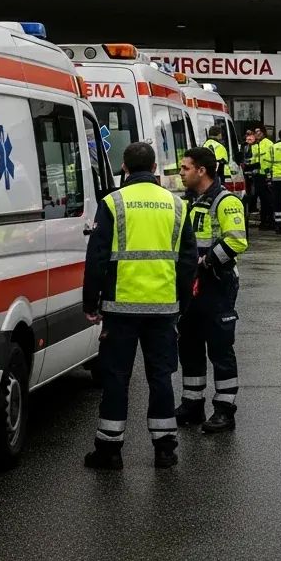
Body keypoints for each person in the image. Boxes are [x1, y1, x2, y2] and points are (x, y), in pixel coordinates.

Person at [82, 141, 197, 470]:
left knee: (116, 376)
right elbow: (188, 261)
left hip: (120, 307)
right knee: (161, 376)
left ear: (125, 168)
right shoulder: (175, 205)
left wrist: (91, 301)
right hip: (163, 307)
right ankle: (164, 448)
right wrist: (181, 303)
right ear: (156, 169)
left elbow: (97, 257)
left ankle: (110, 449)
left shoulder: (113, 202)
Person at [176, 146, 249, 434]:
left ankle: (224, 410)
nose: (181, 173)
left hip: (217, 282)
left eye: (185, 168)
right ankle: (192, 405)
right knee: (189, 344)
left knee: (219, 347)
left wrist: (206, 261)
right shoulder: (189, 201)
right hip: (191, 285)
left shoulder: (225, 201)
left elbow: (237, 241)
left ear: (201, 170)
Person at [253, 125, 275, 230]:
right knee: (262, 200)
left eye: (258, 132)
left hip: (266, 176)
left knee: (268, 200)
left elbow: (271, 160)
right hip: (257, 176)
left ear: (263, 133)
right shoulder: (255, 145)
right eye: (255, 132)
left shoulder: (268, 144)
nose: (257, 134)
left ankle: (270, 222)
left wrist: (269, 175)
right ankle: (263, 222)